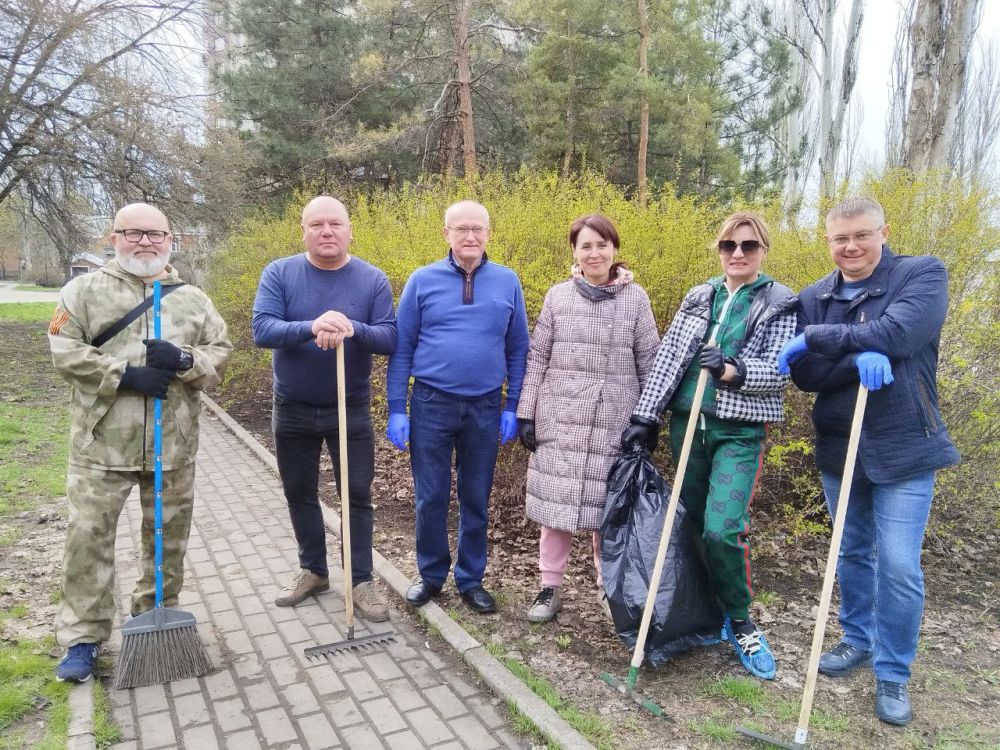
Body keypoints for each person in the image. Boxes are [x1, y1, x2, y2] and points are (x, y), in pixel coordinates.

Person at [778, 197, 959, 725]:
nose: (851, 246)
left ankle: (893, 672)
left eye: (862, 235)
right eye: (841, 238)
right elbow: (807, 375)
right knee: (852, 550)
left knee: (899, 565)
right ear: (828, 241)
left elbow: (901, 334)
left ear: (884, 231)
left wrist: (819, 338)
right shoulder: (815, 295)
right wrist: (858, 355)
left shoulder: (921, 274)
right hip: (841, 444)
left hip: (905, 446)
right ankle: (857, 638)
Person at [48, 202, 231, 683]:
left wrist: (186, 360)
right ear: (114, 238)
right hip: (101, 445)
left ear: (171, 240)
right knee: (87, 541)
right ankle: (83, 637)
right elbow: (64, 351)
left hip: (173, 445)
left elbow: (220, 353)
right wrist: (124, 375)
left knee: (167, 542)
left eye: (155, 234)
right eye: (134, 233)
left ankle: (154, 621)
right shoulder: (83, 292)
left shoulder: (193, 300)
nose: (145, 242)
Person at [620, 211, 796, 680]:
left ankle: (740, 621)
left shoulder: (780, 302)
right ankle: (703, 611)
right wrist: (645, 416)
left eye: (748, 245)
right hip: (687, 424)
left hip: (737, 432)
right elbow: (668, 358)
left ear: (762, 250)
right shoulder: (700, 295)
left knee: (722, 528)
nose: (737, 254)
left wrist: (731, 369)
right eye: (728, 245)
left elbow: (780, 371)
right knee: (692, 523)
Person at [252, 196, 397, 621]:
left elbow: (390, 336)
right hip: (292, 406)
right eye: (317, 224)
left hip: (349, 408)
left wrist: (353, 329)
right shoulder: (280, 273)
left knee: (356, 496)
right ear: (304, 231)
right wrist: (311, 326)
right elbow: (262, 328)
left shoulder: (372, 279)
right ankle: (314, 571)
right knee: (299, 492)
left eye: (335, 224)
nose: (327, 231)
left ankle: (360, 581)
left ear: (350, 230)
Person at [386, 200, 529, 614]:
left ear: (488, 234)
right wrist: (397, 407)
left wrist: (512, 405)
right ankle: (431, 576)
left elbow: (519, 346)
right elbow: (402, 346)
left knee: (475, 496)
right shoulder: (422, 281)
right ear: (446, 233)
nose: (470, 236)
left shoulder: (507, 281)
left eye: (477, 229)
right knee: (430, 496)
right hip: (431, 403)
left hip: (486, 406)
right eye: (461, 229)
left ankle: (470, 579)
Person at [515, 214, 660, 623]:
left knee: (607, 513)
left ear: (614, 248)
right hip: (560, 418)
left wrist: (649, 419)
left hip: (614, 423)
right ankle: (549, 587)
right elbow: (538, 357)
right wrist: (527, 412)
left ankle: (607, 588)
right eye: (586, 246)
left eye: (602, 244)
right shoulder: (558, 296)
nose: (594, 253)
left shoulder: (636, 299)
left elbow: (650, 360)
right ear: (575, 252)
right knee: (555, 511)